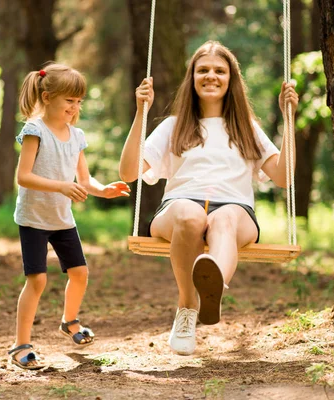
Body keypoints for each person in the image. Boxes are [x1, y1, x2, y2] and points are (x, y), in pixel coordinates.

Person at [119, 41, 299, 355]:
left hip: (236, 210)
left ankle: (213, 283)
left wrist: (289, 120)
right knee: (192, 215)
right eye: (203, 70)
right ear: (192, 78)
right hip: (178, 207)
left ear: (231, 80)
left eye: (219, 70)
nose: (211, 76)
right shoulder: (173, 127)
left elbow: (283, 177)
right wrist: (140, 113)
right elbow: (127, 172)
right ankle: (187, 309)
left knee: (224, 218)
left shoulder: (247, 128)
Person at [8, 63, 131, 370]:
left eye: (79, 102)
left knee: (80, 274)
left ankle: (70, 322)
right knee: (36, 280)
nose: (75, 108)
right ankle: (21, 345)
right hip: (34, 218)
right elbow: (23, 177)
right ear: (47, 97)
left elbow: (85, 181)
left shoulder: (77, 136)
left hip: (62, 220)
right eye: (69, 101)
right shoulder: (35, 130)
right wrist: (62, 186)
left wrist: (105, 191)